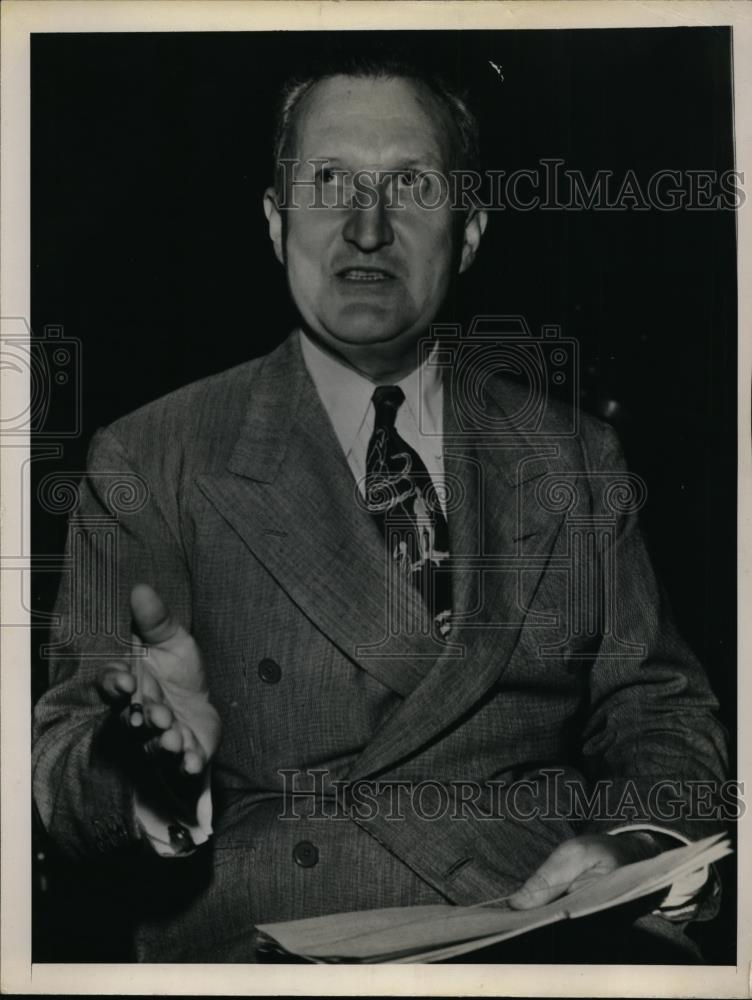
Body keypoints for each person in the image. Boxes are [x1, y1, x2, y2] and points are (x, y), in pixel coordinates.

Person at [32, 49, 728, 963]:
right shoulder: (154, 455)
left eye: (410, 183)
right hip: (272, 943)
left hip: (543, 922)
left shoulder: (573, 456)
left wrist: (641, 841)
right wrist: (146, 771)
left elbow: (661, 713)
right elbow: (60, 758)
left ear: (470, 229)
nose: (366, 227)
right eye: (329, 182)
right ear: (277, 223)